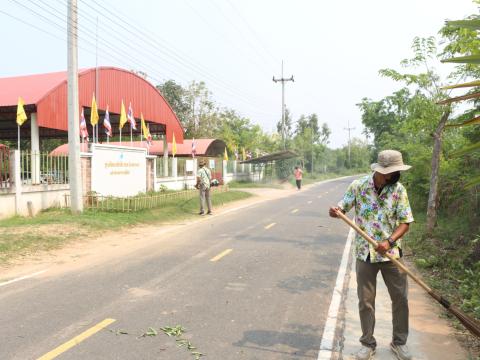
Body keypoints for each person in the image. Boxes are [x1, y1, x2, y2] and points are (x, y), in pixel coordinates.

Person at [329, 150, 414, 360]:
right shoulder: (358, 186)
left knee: (400, 299)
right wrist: (336, 211)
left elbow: (406, 222)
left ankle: (399, 342)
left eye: (396, 171)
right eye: (391, 172)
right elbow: (342, 207)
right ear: (380, 171)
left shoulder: (398, 190)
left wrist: (389, 241)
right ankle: (367, 343)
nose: (395, 175)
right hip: (364, 254)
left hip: (392, 254)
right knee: (365, 301)